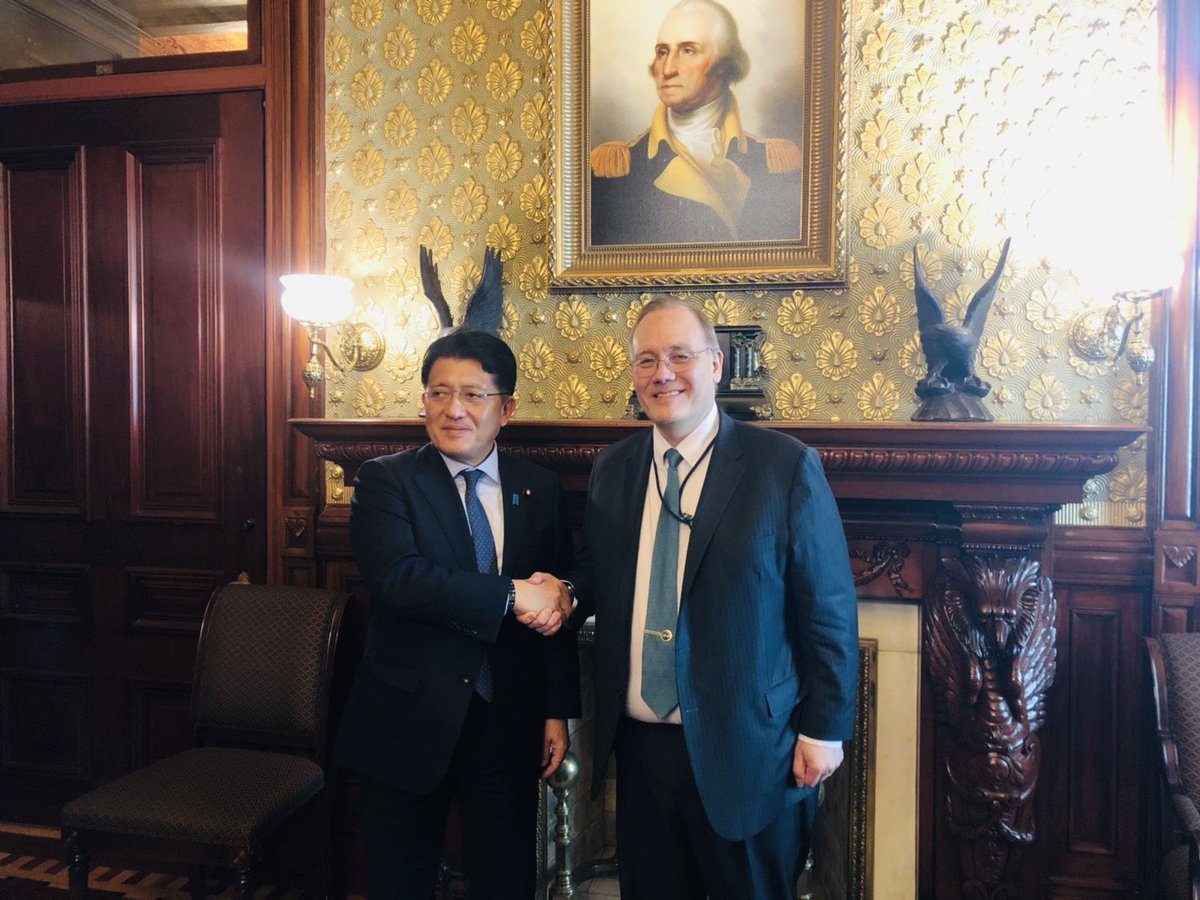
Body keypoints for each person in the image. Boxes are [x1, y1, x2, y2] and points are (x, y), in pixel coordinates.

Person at [573, 298, 859, 898]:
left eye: (680, 356)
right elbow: (599, 577)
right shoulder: (612, 470)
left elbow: (828, 610)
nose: (663, 374)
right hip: (641, 751)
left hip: (752, 750)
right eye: (646, 360)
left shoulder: (783, 466)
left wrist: (825, 729)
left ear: (716, 365)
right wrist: (563, 590)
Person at [333, 329, 577, 899]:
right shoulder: (386, 479)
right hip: (407, 719)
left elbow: (557, 602)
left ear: (506, 408)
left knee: (506, 877)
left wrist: (556, 712)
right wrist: (512, 594)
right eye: (439, 393)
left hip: (506, 721)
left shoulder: (538, 488)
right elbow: (400, 580)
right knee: (400, 882)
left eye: (472, 395)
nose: (453, 409)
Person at [590, 0, 804, 246]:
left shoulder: (775, 164)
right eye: (662, 52)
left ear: (723, 65)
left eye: (688, 51)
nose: (667, 69)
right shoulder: (615, 170)